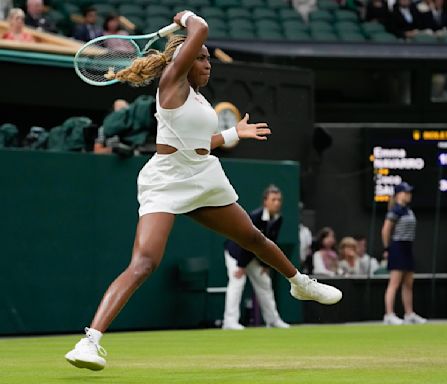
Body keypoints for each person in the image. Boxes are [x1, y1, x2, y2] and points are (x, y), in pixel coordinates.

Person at [64, 10, 342, 371]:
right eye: (201, 57)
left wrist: (231, 135)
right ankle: (89, 342)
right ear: (182, 58)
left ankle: (299, 282)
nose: (208, 64)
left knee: (253, 238)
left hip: (202, 174)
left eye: (210, 58)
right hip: (166, 180)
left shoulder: (196, 96)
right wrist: (184, 17)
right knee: (145, 262)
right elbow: (201, 27)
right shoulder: (172, 80)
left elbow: (196, 142)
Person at [223, 185, 290, 330]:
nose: (277, 203)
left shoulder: (278, 218)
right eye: (273, 200)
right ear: (265, 201)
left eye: (279, 200)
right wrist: (241, 266)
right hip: (237, 252)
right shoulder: (255, 217)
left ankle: (272, 320)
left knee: (265, 283)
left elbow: (272, 241)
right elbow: (245, 242)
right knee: (237, 283)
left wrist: (266, 265)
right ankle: (229, 321)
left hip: (253, 255)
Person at [381, 182, 426, 325]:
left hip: (407, 247)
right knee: (394, 283)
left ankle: (409, 314)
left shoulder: (407, 210)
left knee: (408, 283)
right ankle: (389, 314)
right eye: (406, 192)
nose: (409, 195)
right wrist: (388, 248)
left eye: (409, 192)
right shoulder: (395, 210)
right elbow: (385, 230)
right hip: (397, 247)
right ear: (399, 194)